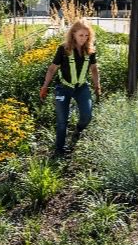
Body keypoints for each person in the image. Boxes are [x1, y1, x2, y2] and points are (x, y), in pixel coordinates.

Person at [40, 21, 101, 154]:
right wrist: (45, 86)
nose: (84, 38)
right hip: (64, 87)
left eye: (86, 35)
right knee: (62, 121)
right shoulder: (63, 49)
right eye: (81, 35)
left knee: (87, 116)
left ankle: (78, 130)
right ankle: (59, 149)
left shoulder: (90, 50)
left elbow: (94, 69)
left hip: (81, 87)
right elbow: (52, 69)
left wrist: (97, 86)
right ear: (73, 34)